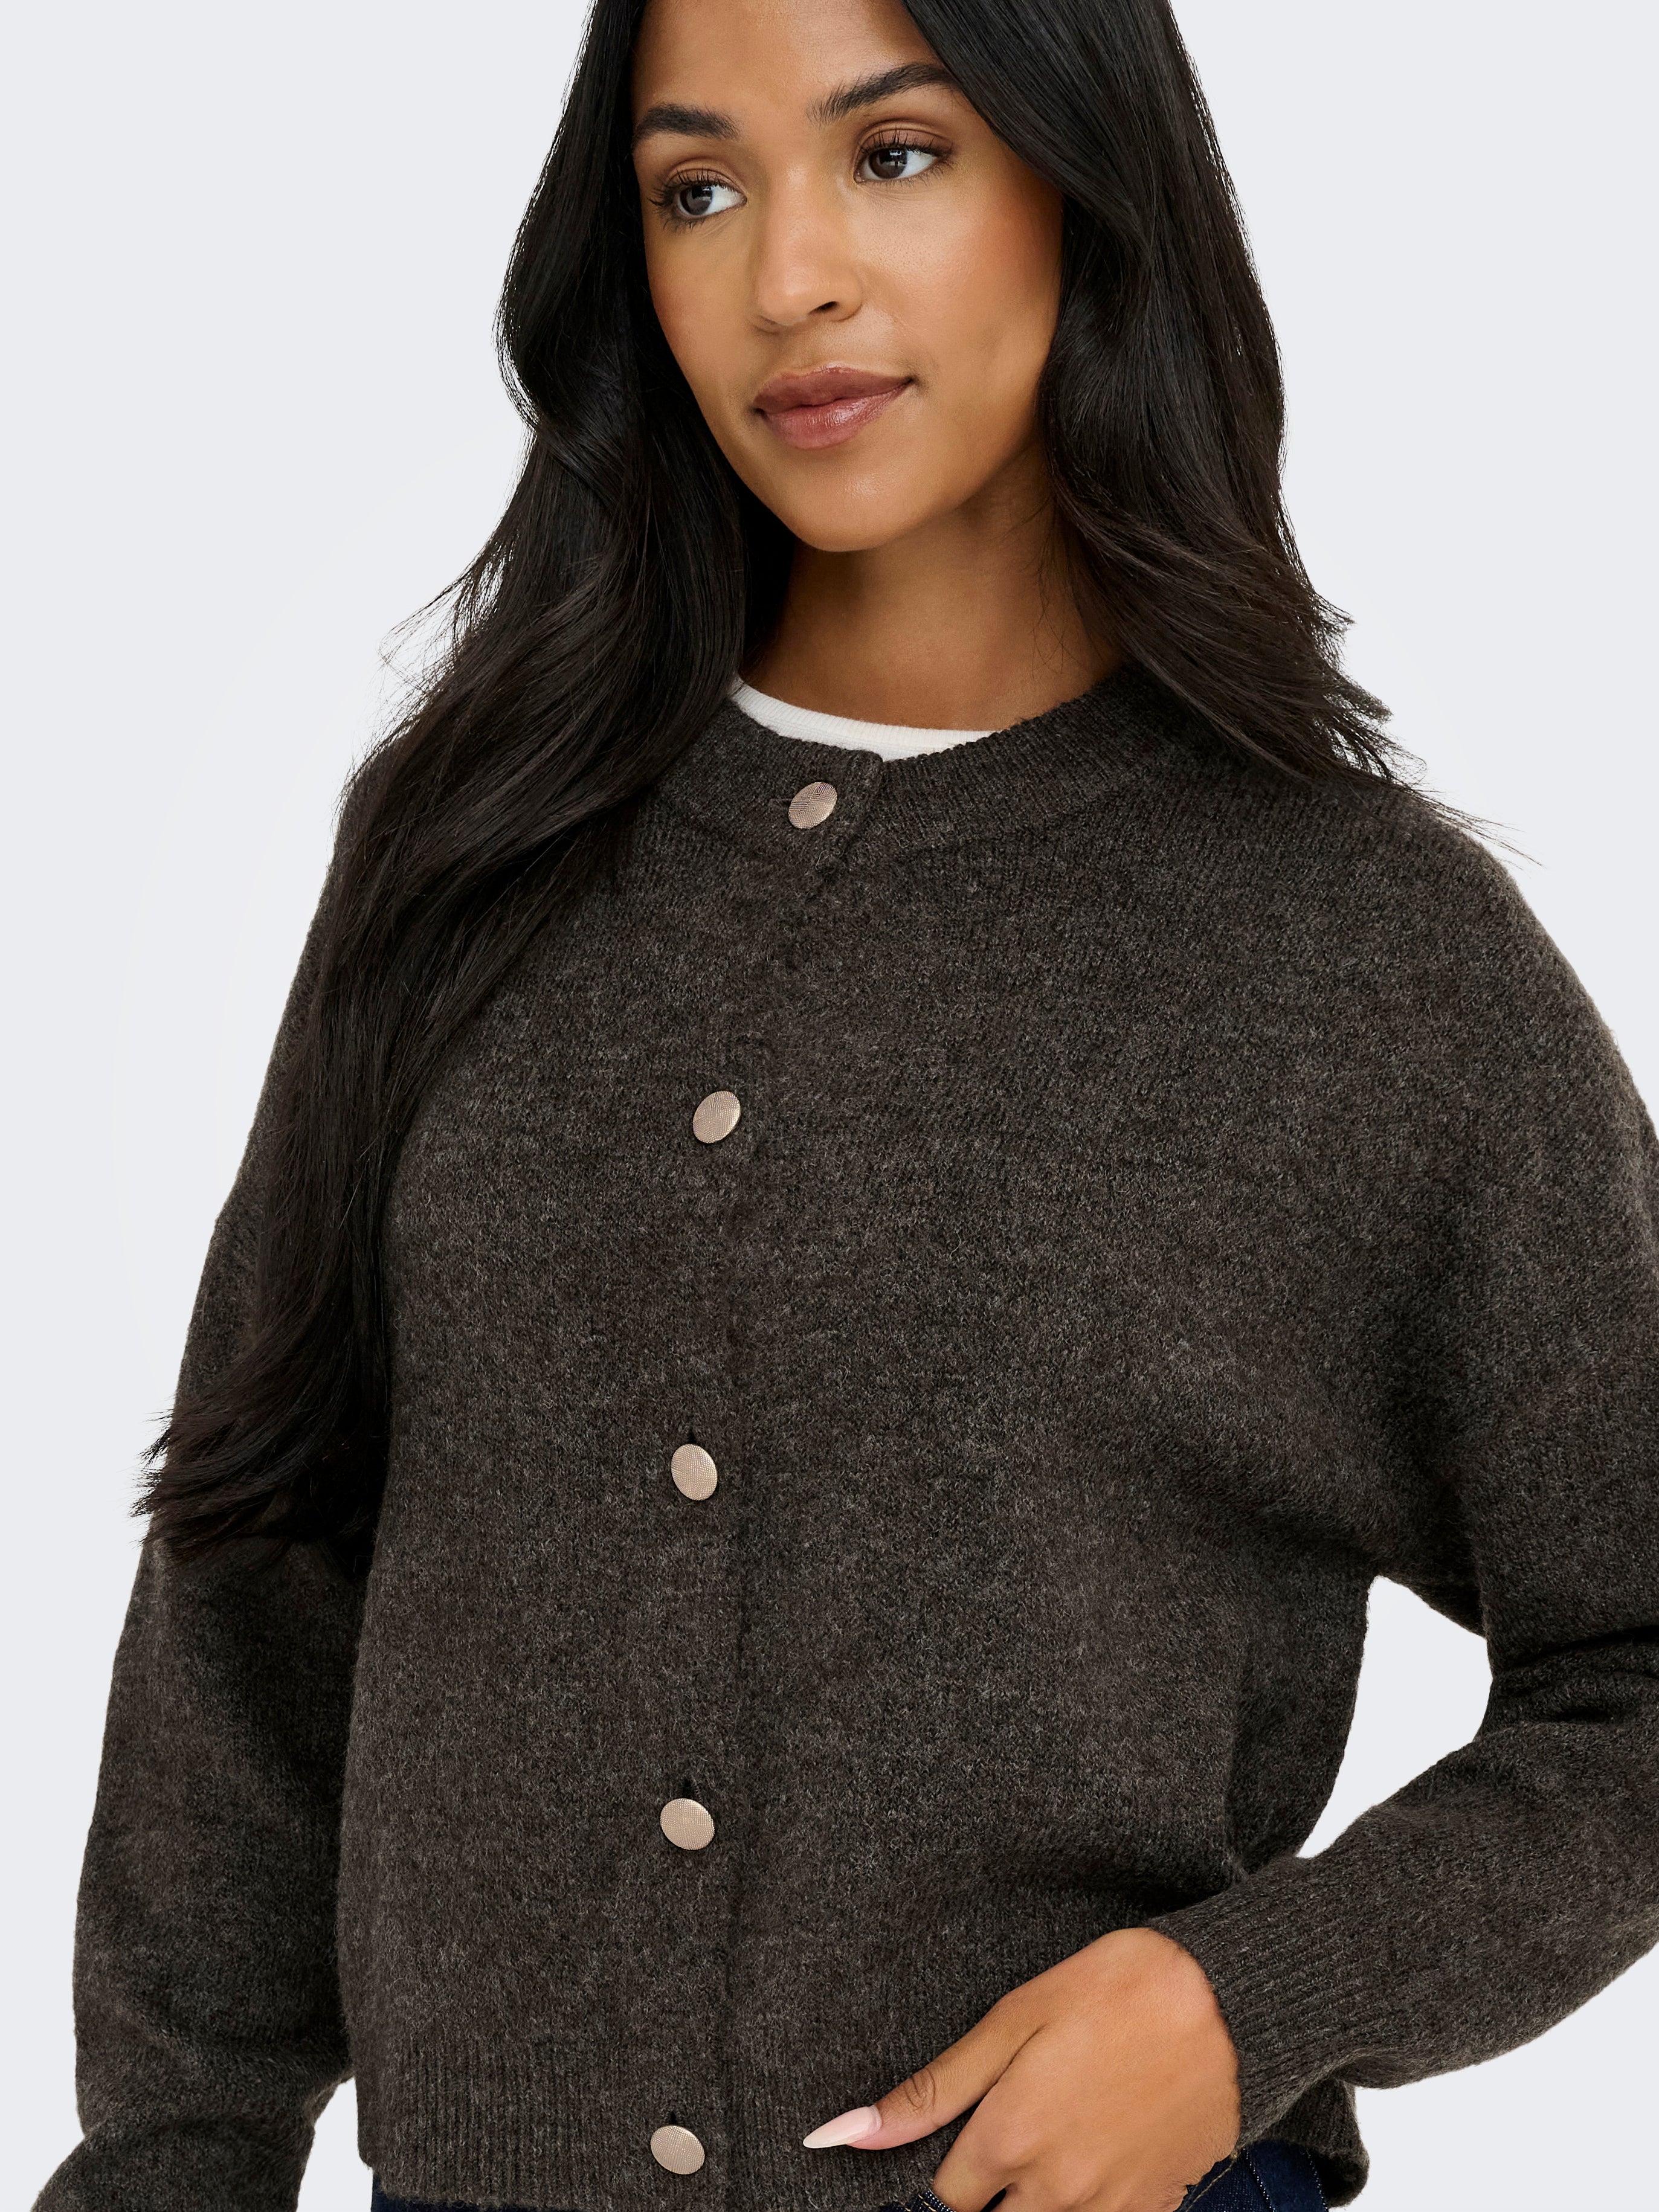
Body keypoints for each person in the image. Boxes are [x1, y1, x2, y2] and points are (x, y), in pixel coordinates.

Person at [33, 1, 1659, 2210]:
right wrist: (168, 2161)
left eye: (893, 155)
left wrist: (1249, 2002)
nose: (784, 275)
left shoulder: (1360, 949)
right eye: (697, 188)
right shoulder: (469, 862)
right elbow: (262, 1560)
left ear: (1085, 188)